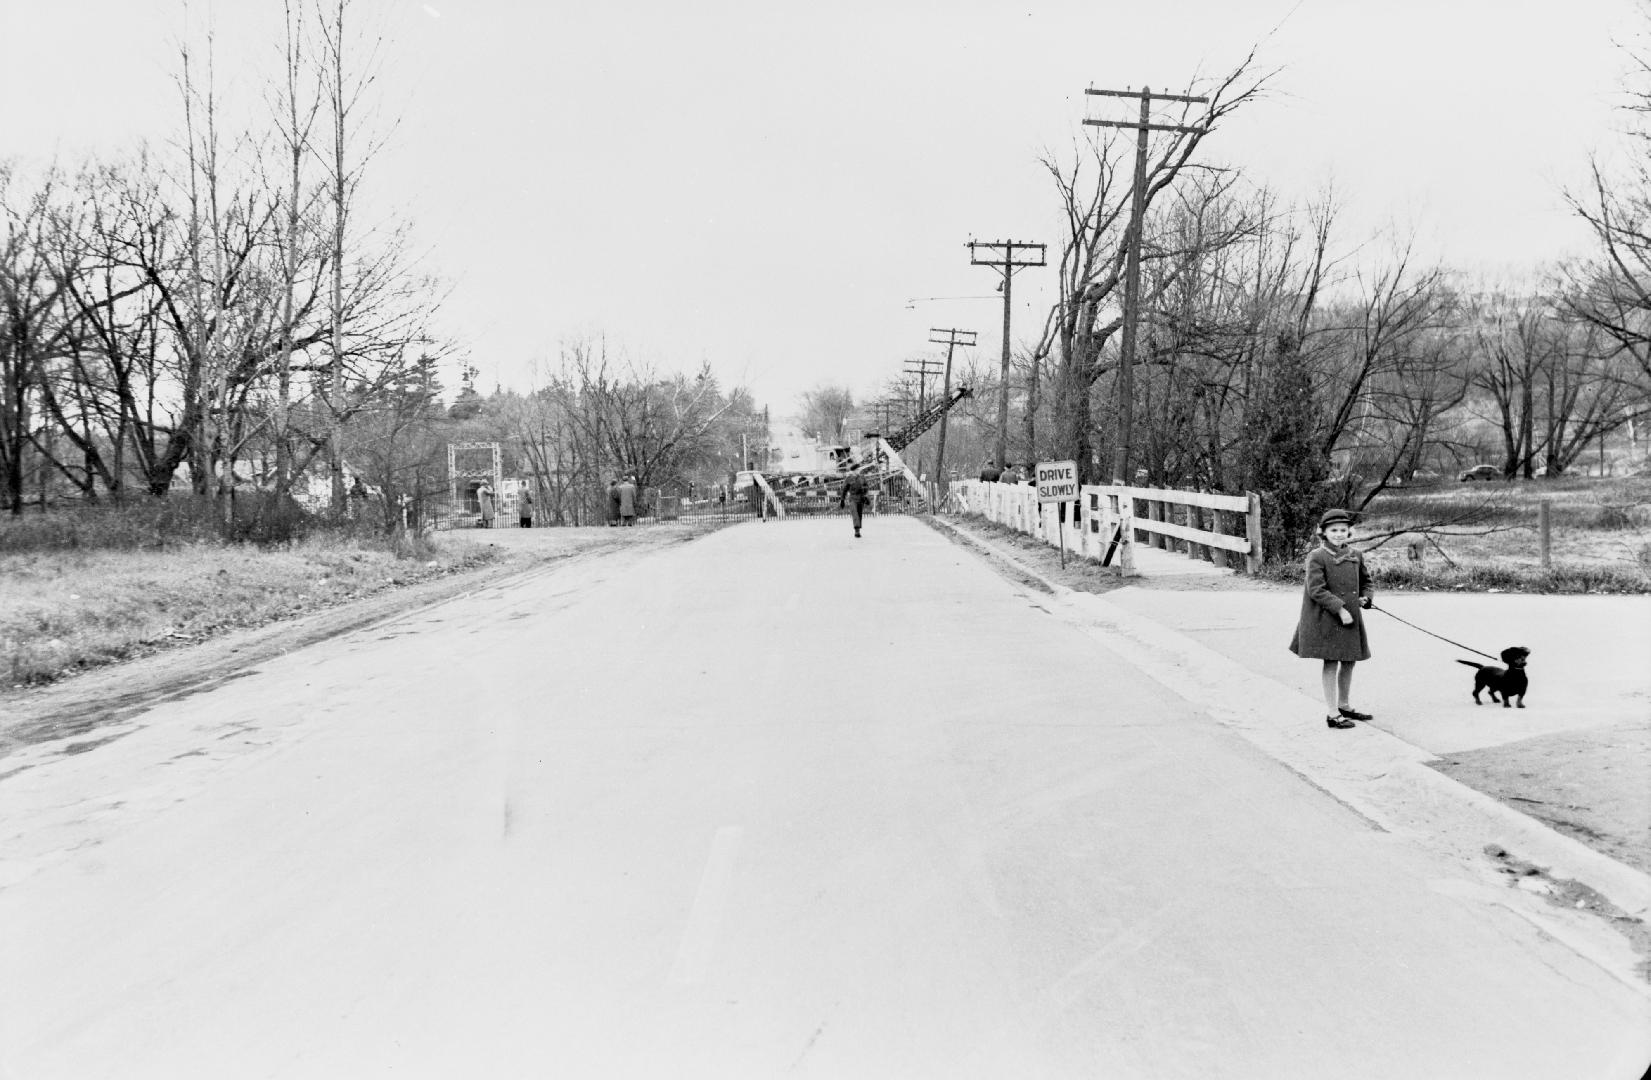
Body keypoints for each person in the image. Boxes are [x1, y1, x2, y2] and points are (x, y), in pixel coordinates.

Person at [1288, 508, 1374, 729]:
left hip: (1350, 617)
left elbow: (1366, 581)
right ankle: (1332, 713)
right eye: (1333, 530)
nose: (1338, 534)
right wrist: (1341, 609)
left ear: (1349, 532)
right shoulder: (1316, 557)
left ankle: (1344, 704)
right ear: (1323, 532)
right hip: (1328, 617)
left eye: (1343, 530)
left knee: (1349, 660)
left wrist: (1366, 597)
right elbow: (1316, 589)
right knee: (1331, 661)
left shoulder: (1356, 555)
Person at [838, 469, 870, 538]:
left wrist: (866, 496)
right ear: (852, 471)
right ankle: (857, 531)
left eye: (858, 469)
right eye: (855, 470)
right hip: (852, 498)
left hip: (861, 498)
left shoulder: (862, 478)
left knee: (859, 514)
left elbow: (866, 487)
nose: (856, 471)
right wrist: (842, 500)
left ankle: (858, 530)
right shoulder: (848, 479)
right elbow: (844, 489)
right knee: (855, 513)